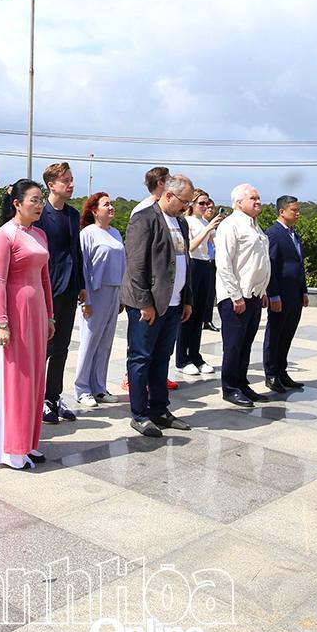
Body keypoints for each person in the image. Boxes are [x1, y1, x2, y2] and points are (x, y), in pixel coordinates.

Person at [120, 173, 194, 437]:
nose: (186, 207)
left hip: (173, 304)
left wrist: (187, 300)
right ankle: (139, 415)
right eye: (184, 201)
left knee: (163, 358)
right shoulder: (144, 219)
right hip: (148, 306)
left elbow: (186, 263)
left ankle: (160, 409)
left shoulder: (181, 223)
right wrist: (144, 303)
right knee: (141, 358)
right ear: (169, 195)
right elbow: (136, 265)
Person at [0, 180, 54, 471]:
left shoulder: (40, 234)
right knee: (17, 378)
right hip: (15, 313)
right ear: (17, 203)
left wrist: (50, 315)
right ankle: (12, 448)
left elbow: (44, 278)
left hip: (38, 311)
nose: (39, 205)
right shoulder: (5, 235)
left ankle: (28, 441)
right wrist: (2, 322)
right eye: (34, 200)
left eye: (41, 200)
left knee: (36, 376)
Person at [33, 161, 86, 424]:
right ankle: (36, 398)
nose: (71, 184)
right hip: (47, 288)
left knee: (63, 346)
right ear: (51, 185)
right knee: (45, 346)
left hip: (69, 289)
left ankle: (54, 396)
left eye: (71, 179)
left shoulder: (73, 215)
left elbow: (76, 252)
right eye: (66, 180)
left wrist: (82, 285)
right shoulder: (40, 214)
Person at [213, 183, 271, 408]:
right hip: (236, 296)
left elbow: (259, 261)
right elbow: (224, 264)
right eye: (253, 198)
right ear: (238, 202)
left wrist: (263, 290)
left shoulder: (255, 226)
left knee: (246, 343)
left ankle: (241, 382)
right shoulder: (231, 225)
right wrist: (235, 296)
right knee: (234, 344)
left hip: (254, 294)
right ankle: (230, 387)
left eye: (258, 197)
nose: (258, 201)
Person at [74, 192, 124, 408]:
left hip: (113, 292)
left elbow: (122, 265)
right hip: (95, 293)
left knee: (105, 341)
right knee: (90, 340)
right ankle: (82, 388)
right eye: (106, 204)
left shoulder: (116, 233)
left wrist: (121, 295)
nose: (111, 207)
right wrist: (85, 299)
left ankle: (99, 387)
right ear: (95, 210)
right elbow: (83, 265)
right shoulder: (88, 233)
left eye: (112, 203)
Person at [263, 195, 308, 393]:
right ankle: (271, 374)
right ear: (282, 212)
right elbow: (270, 266)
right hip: (280, 294)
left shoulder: (293, 234)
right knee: (275, 334)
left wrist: (303, 290)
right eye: (294, 210)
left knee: (287, 334)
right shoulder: (273, 234)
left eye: (298, 210)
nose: (298, 214)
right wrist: (273, 295)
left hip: (295, 294)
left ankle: (282, 371)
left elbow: (298, 264)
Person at [176, 189, 222, 376]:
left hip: (206, 265)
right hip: (193, 265)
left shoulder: (204, 222)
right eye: (201, 203)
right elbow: (190, 246)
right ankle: (181, 358)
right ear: (192, 204)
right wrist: (208, 229)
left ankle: (195, 354)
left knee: (201, 314)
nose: (205, 207)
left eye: (207, 203)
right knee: (188, 313)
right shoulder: (188, 222)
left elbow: (217, 242)